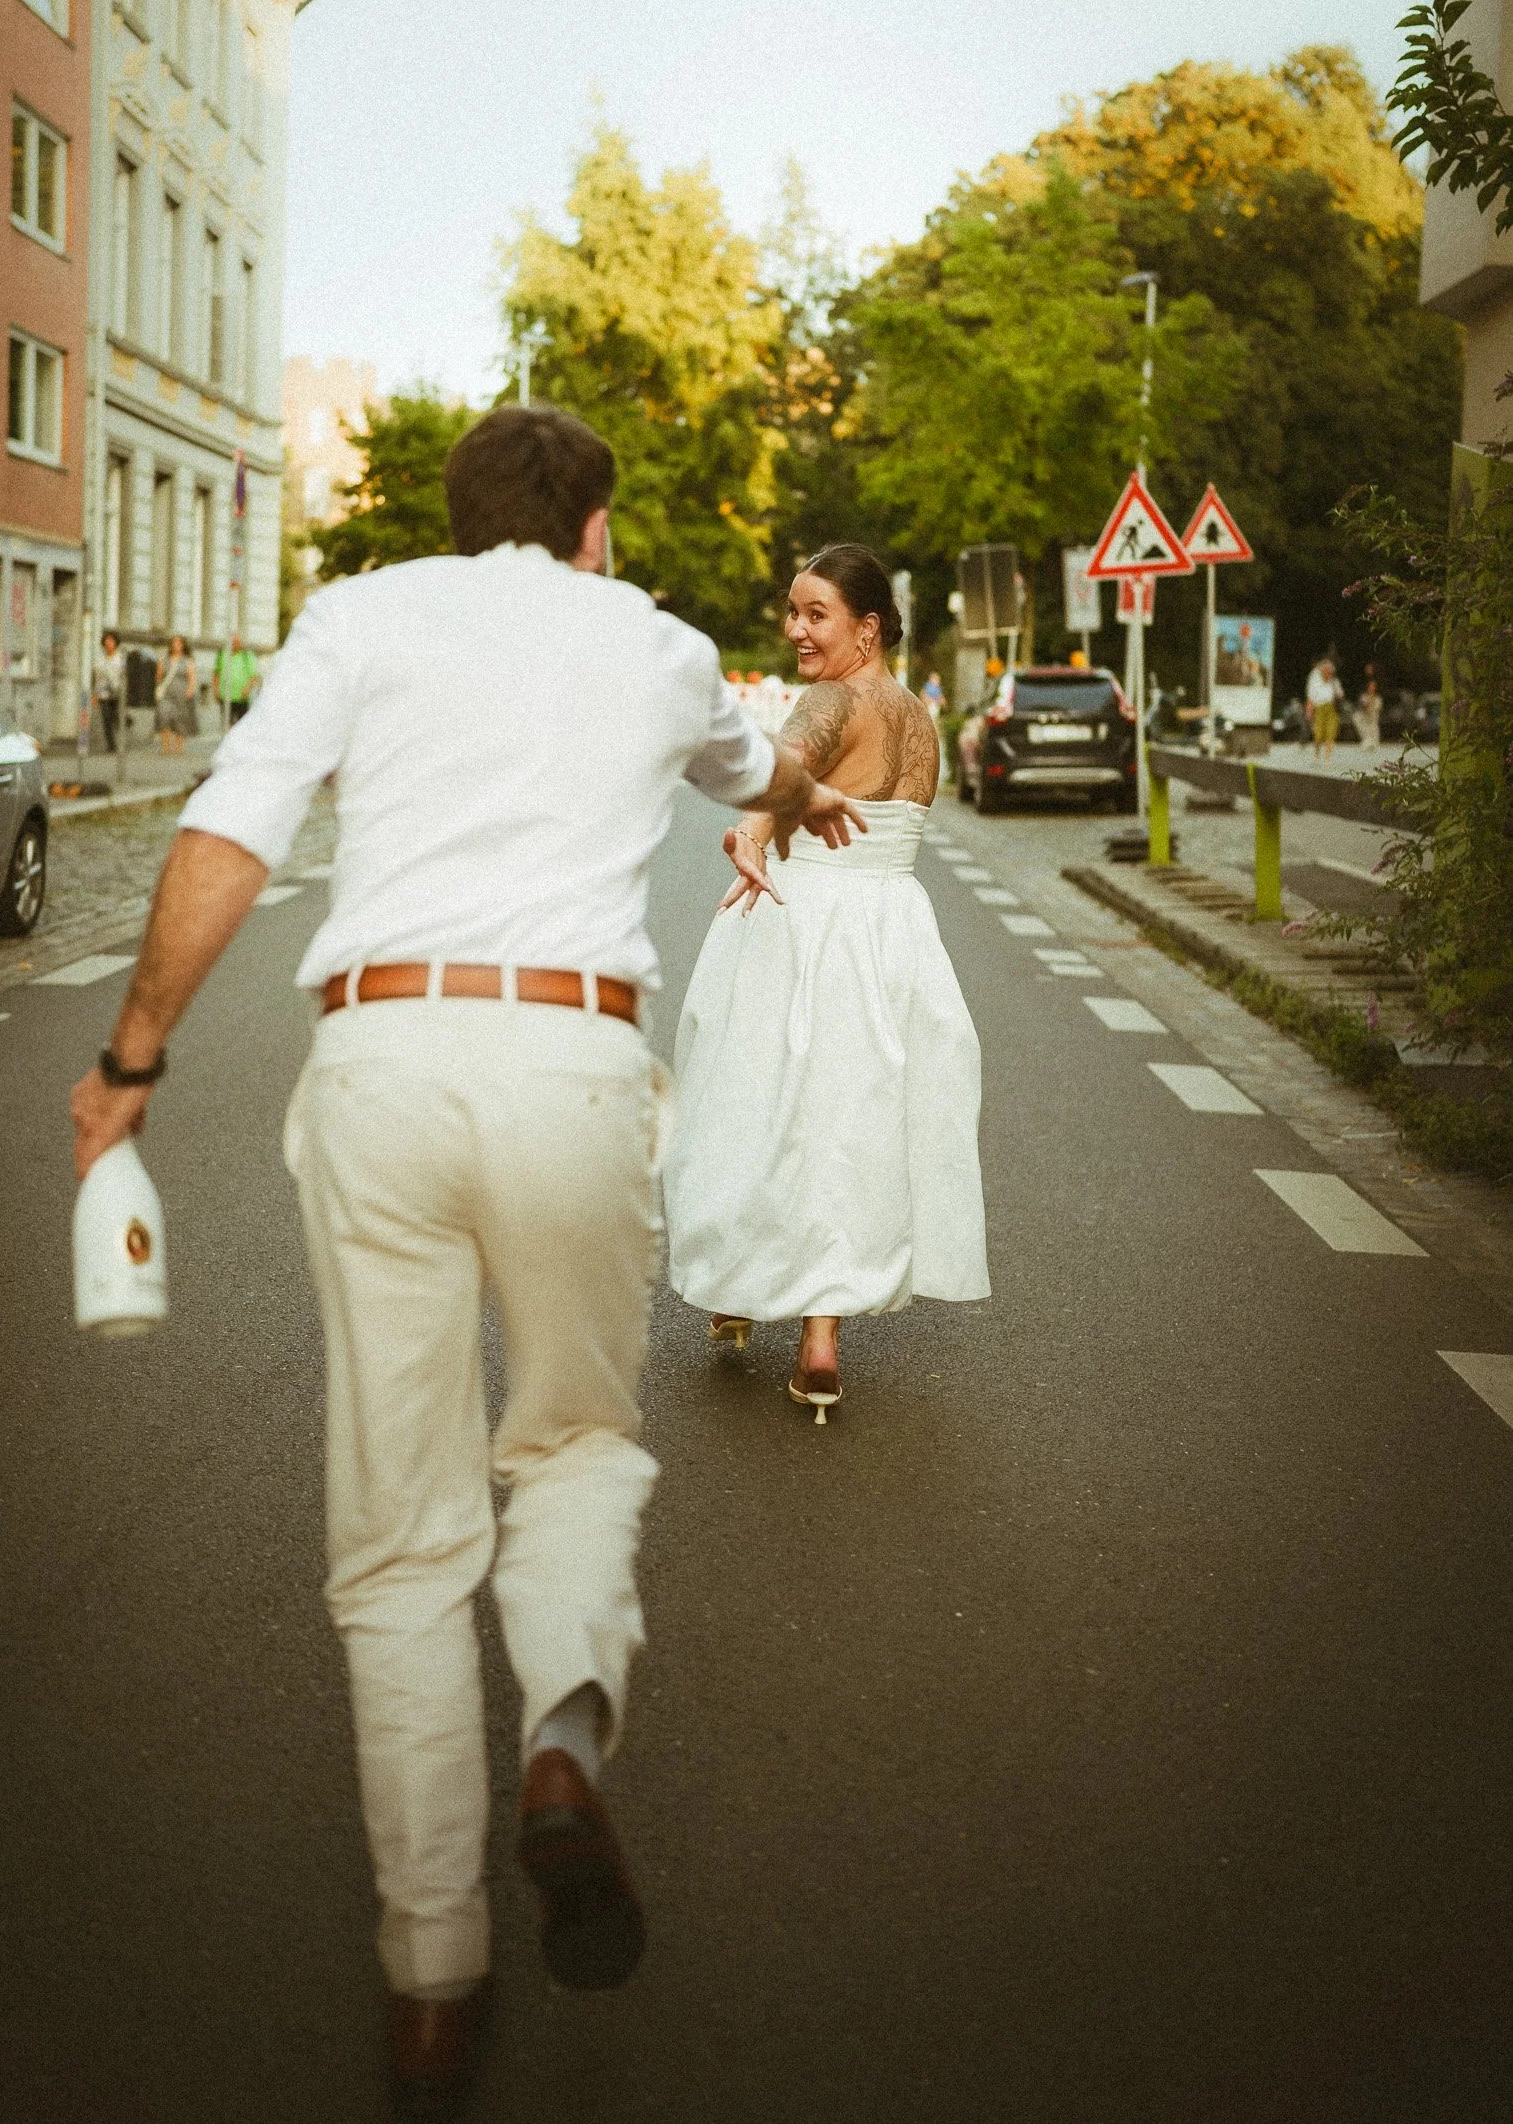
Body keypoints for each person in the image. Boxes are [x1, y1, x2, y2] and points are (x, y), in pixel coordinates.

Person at [68, 404, 862, 2117]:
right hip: (571, 1062)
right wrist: (808, 800)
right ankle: (561, 1739)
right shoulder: (652, 643)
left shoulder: (363, 617)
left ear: (455, 517)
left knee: (399, 1539)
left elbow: (231, 831)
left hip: (381, 1062)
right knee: (571, 1442)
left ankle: (433, 1979)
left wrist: (132, 1058)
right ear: (593, 525)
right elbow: (759, 772)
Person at [664, 543, 991, 1427]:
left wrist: (750, 835)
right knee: (852, 1125)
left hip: (801, 921)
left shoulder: (830, 700)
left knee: (753, 1102)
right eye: (792, 610)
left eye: (816, 614)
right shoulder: (919, 718)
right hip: (894, 930)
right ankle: (818, 1344)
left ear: (866, 628)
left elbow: (783, 763)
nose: (795, 629)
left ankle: (735, 1281)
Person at [154, 633, 198, 756]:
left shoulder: (187, 661)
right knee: (164, 717)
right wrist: (158, 688)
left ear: (183, 645)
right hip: (166, 693)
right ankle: (165, 746)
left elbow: (192, 677)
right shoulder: (163, 660)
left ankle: (178, 748)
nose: (176, 646)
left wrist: (190, 690)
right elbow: (158, 677)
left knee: (180, 720)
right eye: (174, 643)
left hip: (181, 694)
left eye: (179, 643)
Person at [213, 631, 260, 724]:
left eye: (236, 642)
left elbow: (254, 677)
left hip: (241, 698)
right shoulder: (222, 654)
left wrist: (248, 688)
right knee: (227, 724)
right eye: (232, 642)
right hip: (225, 697)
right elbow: (216, 673)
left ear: (240, 642)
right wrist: (216, 690)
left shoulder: (247, 655)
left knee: (242, 725)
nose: (234, 644)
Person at [1306, 652, 1343, 761]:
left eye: (1329, 671)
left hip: (1332, 709)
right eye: (1326, 670)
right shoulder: (1315, 681)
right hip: (1319, 708)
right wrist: (1309, 711)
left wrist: (1337, 693)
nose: (1328, 672)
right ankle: (1316, 754)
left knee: (1330, 733)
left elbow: (1340, 694)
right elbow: (1311, 697)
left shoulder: (1334, 681)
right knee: (1318, 734)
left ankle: (1327, 758)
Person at [92, 631, 124, 755]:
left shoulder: (120, 659)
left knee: (117, 717)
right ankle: (111, 744)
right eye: (107, 641)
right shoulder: (99, 659)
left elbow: (124, 676)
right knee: (106, 717)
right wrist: (95, 694)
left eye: (111, 641)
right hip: (103, 692)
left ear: (116, 643)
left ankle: (120, 738)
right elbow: (96, 677)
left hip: (117, 692)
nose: (109, 644)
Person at [1354, 663, 1382, 750]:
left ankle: (1373, 741)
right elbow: (1362, 704)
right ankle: (1366, 740)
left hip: (1373, 714)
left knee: (1373, 723)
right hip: (1364, 713)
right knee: (1356, 717)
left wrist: (1371, 703)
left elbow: (1377, 707)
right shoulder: (1364, 692)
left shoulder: (1378, 696)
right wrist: (1365, 705)